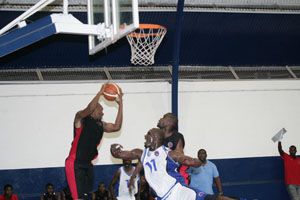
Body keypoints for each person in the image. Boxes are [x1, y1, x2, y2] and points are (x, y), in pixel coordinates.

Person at [110, 128, 233, 200]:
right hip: (162, 197)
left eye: (148, 134)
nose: (145, 136)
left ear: (154, 138)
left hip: (177, 192)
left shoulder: (167, 153)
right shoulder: (141, 153)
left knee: (209, 199)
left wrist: (198, 162)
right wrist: (115, 150)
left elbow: (186, 160)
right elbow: (121, 154)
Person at [65, 83, 123, 200]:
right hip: (75, 163)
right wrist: (100, 93)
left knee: (87, 197)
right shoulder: (80, 119)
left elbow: (117, 126)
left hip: (88, 165)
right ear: (93, 110)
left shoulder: (101, 125)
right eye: (101, 109)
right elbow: (90, 108)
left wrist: (121, 104)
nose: (103, 113)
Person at [157, 113, 189, 185]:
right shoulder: (156, 135)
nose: (160, 119)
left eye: (163, 117)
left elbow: (179, 157)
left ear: (170, 122)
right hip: (157, 173)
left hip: (170, 175)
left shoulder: (177, 136)